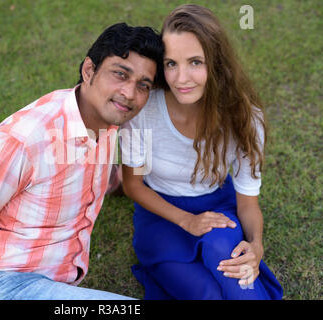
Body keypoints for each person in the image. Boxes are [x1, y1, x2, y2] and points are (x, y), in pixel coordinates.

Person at [0, 22, 163, 300]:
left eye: (143, 85)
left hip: (49, 286)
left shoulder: (108, 124)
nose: (130, 93)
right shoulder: (26, 139)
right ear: (89, 71)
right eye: (120, 75)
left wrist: (143, 184)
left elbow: (92, 175)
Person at [120, 5, 283, 300]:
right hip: (162, 217)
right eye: (171, 64)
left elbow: (247, 203)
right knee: (207, 294)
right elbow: (132, 185)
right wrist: (186, 220)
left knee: (234, 270)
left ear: (217, 62)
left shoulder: (245, 118)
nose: (181, 78)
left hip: (218, 208)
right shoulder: (144, 109)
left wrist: (256, 246)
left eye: (195, 62)